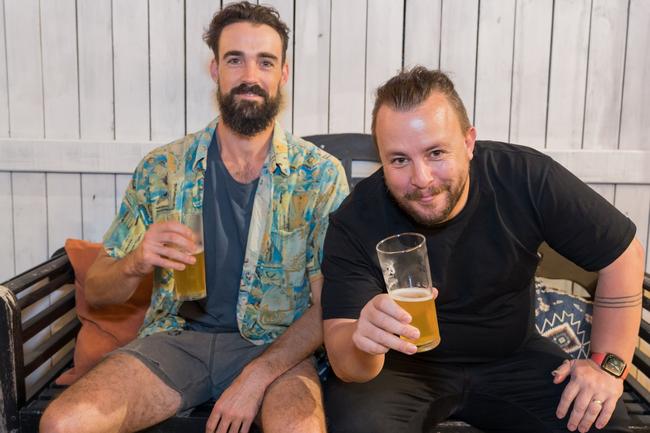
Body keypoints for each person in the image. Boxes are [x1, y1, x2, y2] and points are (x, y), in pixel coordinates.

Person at [40, 2, 348, 433]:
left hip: (275, 351)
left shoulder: (319, 176)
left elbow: (328, 306)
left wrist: (256, 376)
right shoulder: (163, 168)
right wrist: (136, 262)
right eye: (234, 59)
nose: (249, 76)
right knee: (63, 424)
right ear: (215, 70)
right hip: (175, 341)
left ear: (284, 74)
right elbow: (98, 291)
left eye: (265, 62)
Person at [321, 67, 644, 433]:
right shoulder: (355, 220)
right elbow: (344, 356)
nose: (422, 179)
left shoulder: (523, 177)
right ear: (381, 158)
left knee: (601, 420)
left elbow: (623, 255)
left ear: (469, 142)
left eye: (436, 152)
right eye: (399, 160)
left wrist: (607, 367)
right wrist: (365, 341)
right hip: (401, 368)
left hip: (514, 358)